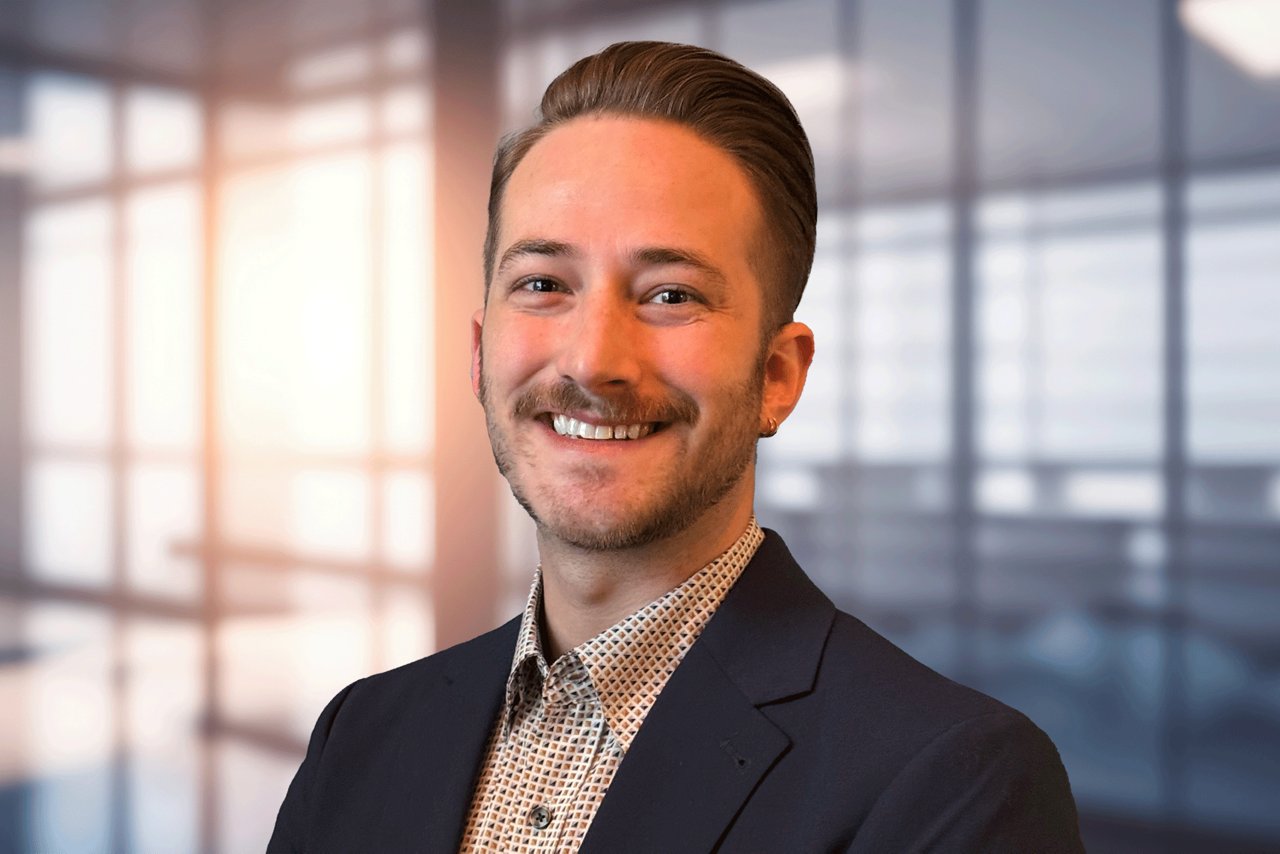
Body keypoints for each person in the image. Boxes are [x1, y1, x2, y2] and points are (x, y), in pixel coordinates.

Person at [269, 41, 1083, 853]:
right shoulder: (363, 732)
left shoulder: (954, 784)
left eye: (670, 295)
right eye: (544, 284)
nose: (592, 361)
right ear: (481, 354)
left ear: (777, 375)